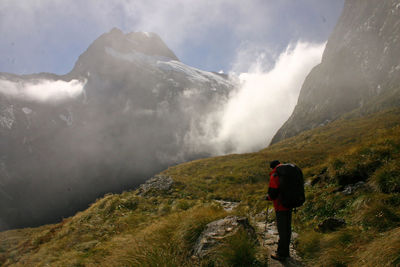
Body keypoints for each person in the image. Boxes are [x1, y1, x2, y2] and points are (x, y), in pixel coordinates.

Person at [267, 160, 292, 261]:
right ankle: (286, 252)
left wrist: (268, 197)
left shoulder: (275, 174)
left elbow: (273, 193)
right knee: (287, 228)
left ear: (272, 167)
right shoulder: (288, 172)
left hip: (280, 206)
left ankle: (281, 254)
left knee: (282, 230)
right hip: (290, 204)